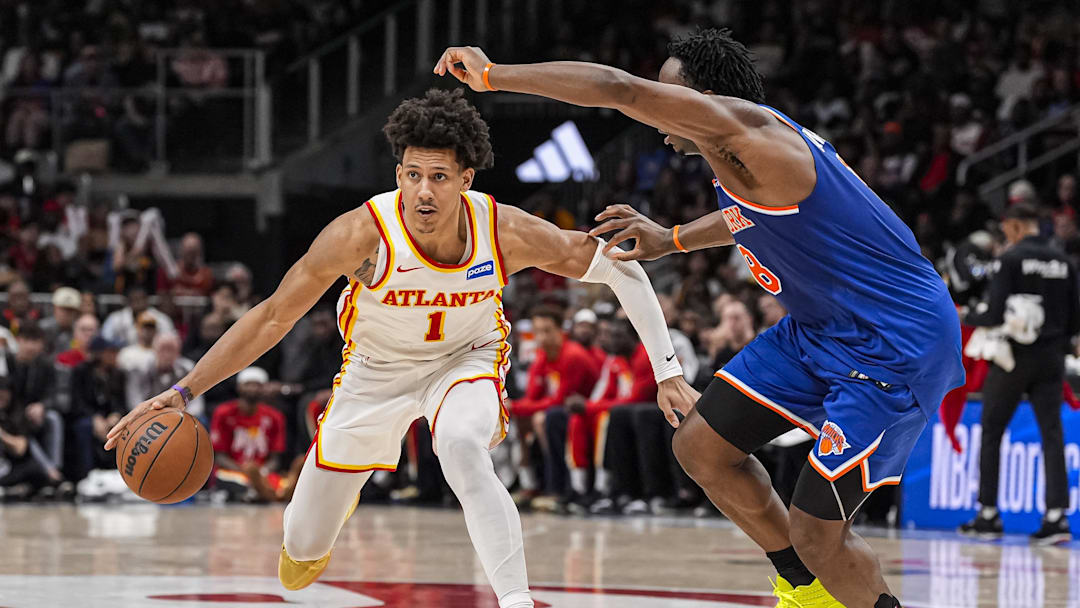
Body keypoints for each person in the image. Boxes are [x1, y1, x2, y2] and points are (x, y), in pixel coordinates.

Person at [105, 88, 695, 608]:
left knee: (461, 446)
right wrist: (183, 393)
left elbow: (622, 269)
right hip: (373, 374)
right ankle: (333, 505)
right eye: (411, 174)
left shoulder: (505, 231)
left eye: (438, 176)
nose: (422, 191)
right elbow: (273, 315)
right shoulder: (359, 235)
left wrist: (667, 370)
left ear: (467, 180)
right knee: (299, 556)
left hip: (465, 359)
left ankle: (517, 599)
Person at [435, 29, 963, 608]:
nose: (656, 115)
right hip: (819, 332)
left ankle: (827, 581)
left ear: (703, 99)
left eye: (668, 96)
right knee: (701, 447)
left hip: (895, 344)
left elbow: (615, 87)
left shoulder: (757, 138)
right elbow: (748, 216)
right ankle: (807, 590)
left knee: (818, 533)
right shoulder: (736, 151)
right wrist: (672, 239)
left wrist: (493, 75)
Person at [959, 203, 1077, 545]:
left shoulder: (1010, 260)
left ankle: (989, 514)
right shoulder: (1064, 262)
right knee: (1052, 434)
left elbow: (995, 313)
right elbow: (1074, 320)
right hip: (1052, 358)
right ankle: (1056, 518)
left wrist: (969, 315)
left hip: (1012, 359)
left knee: (992, 430)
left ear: (1014, 227)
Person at [510, 305, 600, 504]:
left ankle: (558, 487)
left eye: (547, 331)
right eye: (537, 332)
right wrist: (513, 408)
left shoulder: (572, 355)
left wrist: (515, 406)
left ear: (561, 330)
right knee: (521, 420)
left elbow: (560, 400)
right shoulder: (542, 356)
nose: (541, 337)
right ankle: (530, 484)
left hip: (584, 411)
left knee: (543, 418)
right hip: (557, 411)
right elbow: (532, 396)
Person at [209, 367, 291, 503]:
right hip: (232, 471)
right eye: (248, 384)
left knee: (282, 484)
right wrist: (245, 471)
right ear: (239, 387)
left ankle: (260, 491)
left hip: (263, 472)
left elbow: (275, 459)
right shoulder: (223, 413)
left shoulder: (275, 417)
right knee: (235, 482)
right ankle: (261, 492)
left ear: (264, 388)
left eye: (257, 385)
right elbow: (219, 456)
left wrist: (260, 473)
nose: (252, 388)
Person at [100, 285, 175, 346]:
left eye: (141, 299)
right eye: (134, 299)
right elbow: (105, 338)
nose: (138, 303)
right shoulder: (116, 318)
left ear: (147, 301)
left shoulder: (161, 318)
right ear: (128, 302)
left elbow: (170, 339)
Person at [40, 287, 82, 357]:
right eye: (63, 309)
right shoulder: (42, 328)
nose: (67, 313)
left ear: (76, 312)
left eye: (71, 310)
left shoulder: (80, 329)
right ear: (55, 308)